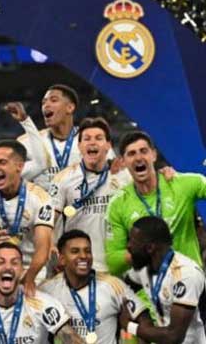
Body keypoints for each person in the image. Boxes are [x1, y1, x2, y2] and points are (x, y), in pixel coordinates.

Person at [105, 130, 206, 276]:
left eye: (143, 151)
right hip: (150, 286)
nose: (138, 158)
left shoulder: (184, 184)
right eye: (131, 154)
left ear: (154, 155)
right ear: (123, 161)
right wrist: (143, 250)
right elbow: (113, 262)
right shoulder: (118, 204)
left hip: (189, 280)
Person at [0, 140, 54, 294]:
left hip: (31, 270)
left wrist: (29, 279)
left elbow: (43, 248)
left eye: (2, 162)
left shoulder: (41, 198)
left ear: (19, 166)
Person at [49, 118, 130, 272]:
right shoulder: (63, 179)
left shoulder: (124, 175)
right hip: (77, 265)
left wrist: (167, 173)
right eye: (87, 138)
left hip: (116, 265)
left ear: (108, 145)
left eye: (98, 138)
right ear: (79, 146)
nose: (92, 142)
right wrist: (51, 246)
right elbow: (48, 221)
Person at [39, 230, 148, 344]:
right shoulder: (47, 290)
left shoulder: (113, 285)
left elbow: (145, 321)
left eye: (87, 251)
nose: (83, 256)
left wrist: (131, 327)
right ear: (62, 259)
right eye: (75, 251)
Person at [122, 216, 206, 343]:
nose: (128, 246)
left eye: (133, 242)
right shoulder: (144, 268)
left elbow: (174, 336)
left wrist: (131, 327)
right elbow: (122, 289)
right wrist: (141, 315)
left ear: (150, 248)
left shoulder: (186, 274)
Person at [15, 84, 82, 189]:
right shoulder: (26, 142)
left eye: (53, 100)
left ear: (70, 108)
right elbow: (12, 178)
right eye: (43, 102)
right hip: (42, 198)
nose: (46, 105)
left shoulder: (90, 139)